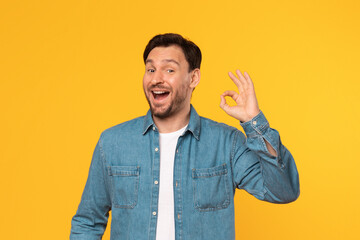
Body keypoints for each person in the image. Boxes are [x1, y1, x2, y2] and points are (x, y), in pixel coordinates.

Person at [70, 33, 300, 240]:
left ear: (193, 78)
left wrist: (254, 122)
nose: (156, 79)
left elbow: (283, 191)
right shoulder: (113, 142)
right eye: (151, 70)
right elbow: (87, 222)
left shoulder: (226, 143)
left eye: (169, 70)